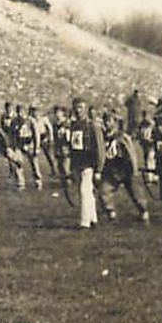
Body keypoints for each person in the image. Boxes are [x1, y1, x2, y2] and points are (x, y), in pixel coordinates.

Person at [99, 115, 149, 222]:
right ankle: (110, 212)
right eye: (105, 121)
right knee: (104, 190)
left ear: (115, 123)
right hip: (112, 169)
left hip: (125, 168)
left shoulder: (121, 136)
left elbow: (131, 152)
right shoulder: (103, 136)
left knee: (135, 192)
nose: (107, 124)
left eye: (109, 121)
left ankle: (143, 211)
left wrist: (134, 168)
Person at [65, 98, 105, 229]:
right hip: (78, 163)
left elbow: (100, 148)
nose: (78, 110)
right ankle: (93, 218)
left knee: (84, 190)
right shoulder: (73, 126)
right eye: (76, 107)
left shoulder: (92, 126)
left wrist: (99, 169)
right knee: (87, 191)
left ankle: (84, 222)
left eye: (81, 107)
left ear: (86, 109)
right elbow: (73, 147)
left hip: (89, 163)